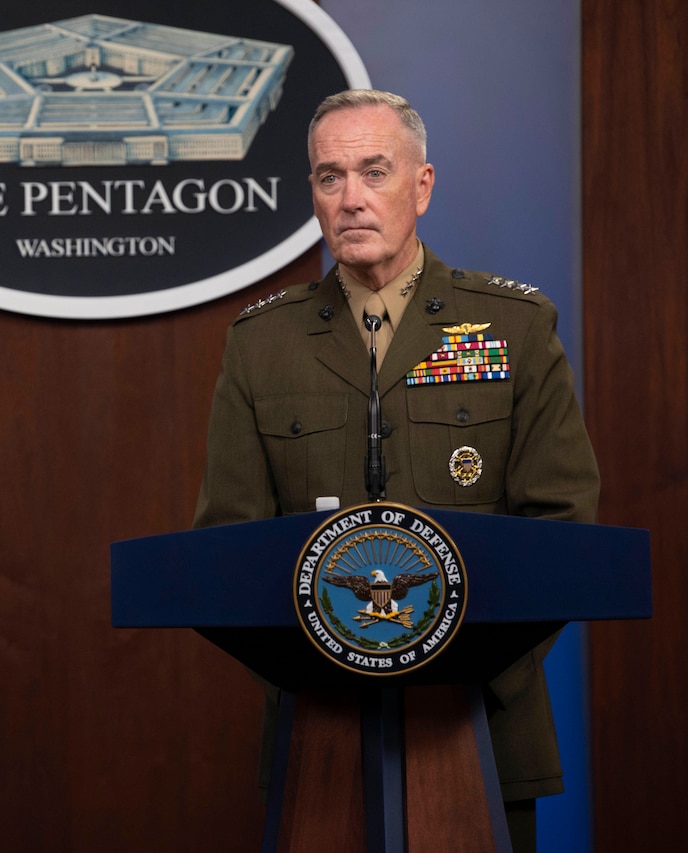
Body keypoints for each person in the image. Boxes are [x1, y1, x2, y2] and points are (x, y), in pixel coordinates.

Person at [193, 89, 599, 850]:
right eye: (328, 177)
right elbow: (227, 545)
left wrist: (469, 662)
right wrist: (319, 670)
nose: (350, 199)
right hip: (319, 735)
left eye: (373, 172)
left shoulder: (513, 326)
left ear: (422, 185)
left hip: (482, 722)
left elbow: (564, 527)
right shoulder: (261, 343)